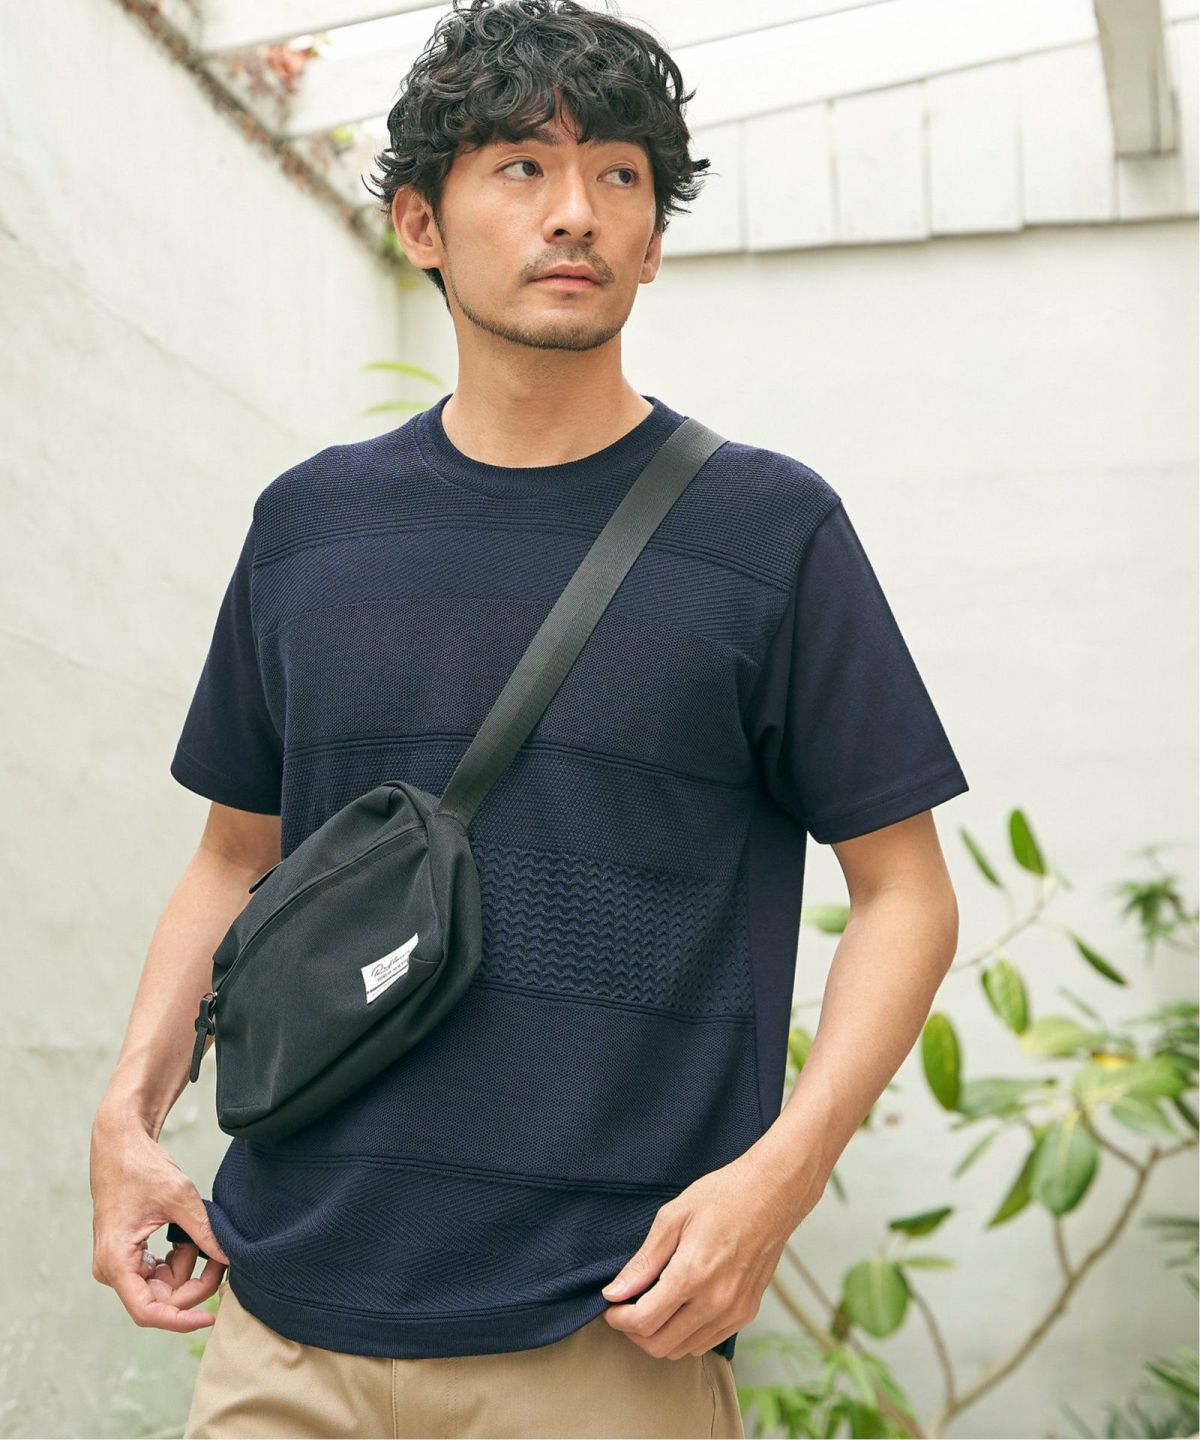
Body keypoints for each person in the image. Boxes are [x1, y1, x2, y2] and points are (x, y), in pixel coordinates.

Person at [89, 2, 970, 1436]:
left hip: (600, 1331)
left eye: (619, 175)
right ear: (419, 225)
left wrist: (781, 1178)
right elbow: (235, 859)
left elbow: (907, 893)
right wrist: (128, 1119)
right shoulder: (309, 527)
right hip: (281, 1324)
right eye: (522, 168)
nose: (577, 213)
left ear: (654, 237)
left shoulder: (769, 530)